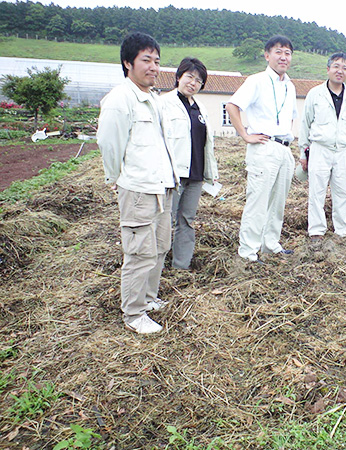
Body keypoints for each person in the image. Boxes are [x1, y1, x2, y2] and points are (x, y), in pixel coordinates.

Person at [97, 32, 178, 334]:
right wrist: (117, 179)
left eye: (157, 61)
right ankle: (133, 314)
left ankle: (148, 298)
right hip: (138, 189)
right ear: (128, 62)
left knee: (158, 248)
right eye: (146, 60)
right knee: (139, 252)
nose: (154, 67)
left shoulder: (153, 99)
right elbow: (109, 144)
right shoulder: (120, 99)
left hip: (161, 187)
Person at [225, 35, 297, 263]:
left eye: (287, 53)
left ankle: (270, 243)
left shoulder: (291, 86)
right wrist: (245, 135)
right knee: (258, 201)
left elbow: (291, 118)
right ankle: (248, 252)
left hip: (284, 148)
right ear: (267, 55)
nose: (283, 57)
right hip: (264, 147)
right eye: (278, 52)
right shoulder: (256, 81)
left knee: (277, 202)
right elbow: (232, 105)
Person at [298, 52, 346, 240]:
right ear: (328, 69)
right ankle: (316, 231)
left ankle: (343, 230)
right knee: (316, 192)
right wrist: (303, 153)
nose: (340, 71)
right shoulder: (315, 94)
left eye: (344, 68)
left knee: (342, 192)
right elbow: (305, 123)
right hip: (320, 148)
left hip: (343, 151)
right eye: (336, 66)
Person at [160, 57, 218, 270]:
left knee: (187, 220)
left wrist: (211, 172)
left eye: (199, 80)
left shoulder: (200, 107)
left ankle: (180, 266)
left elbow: (206, 143)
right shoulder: (164, 103)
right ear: (178, 77)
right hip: (172, 174)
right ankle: (158, 265)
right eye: (189, 77)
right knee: (165, 220)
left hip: (195, 174)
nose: (193, 83)